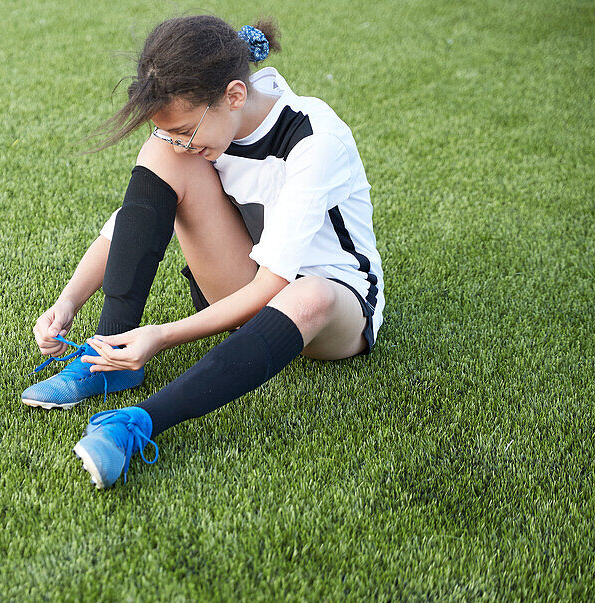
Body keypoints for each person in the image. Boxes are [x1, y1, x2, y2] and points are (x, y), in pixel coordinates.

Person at [22, 15, 384, 488]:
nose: (180, 143)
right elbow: (131, 221)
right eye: (169, 131)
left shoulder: (313, 137)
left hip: (337, 309)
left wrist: (163, 334)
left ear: (235, 95)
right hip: (246, 282)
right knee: (159, 158)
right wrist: (69, 300)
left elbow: (275, 285)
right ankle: (107, 356)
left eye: (186, 131)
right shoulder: (205, 131)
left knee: (308, 293)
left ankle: (136, 424)